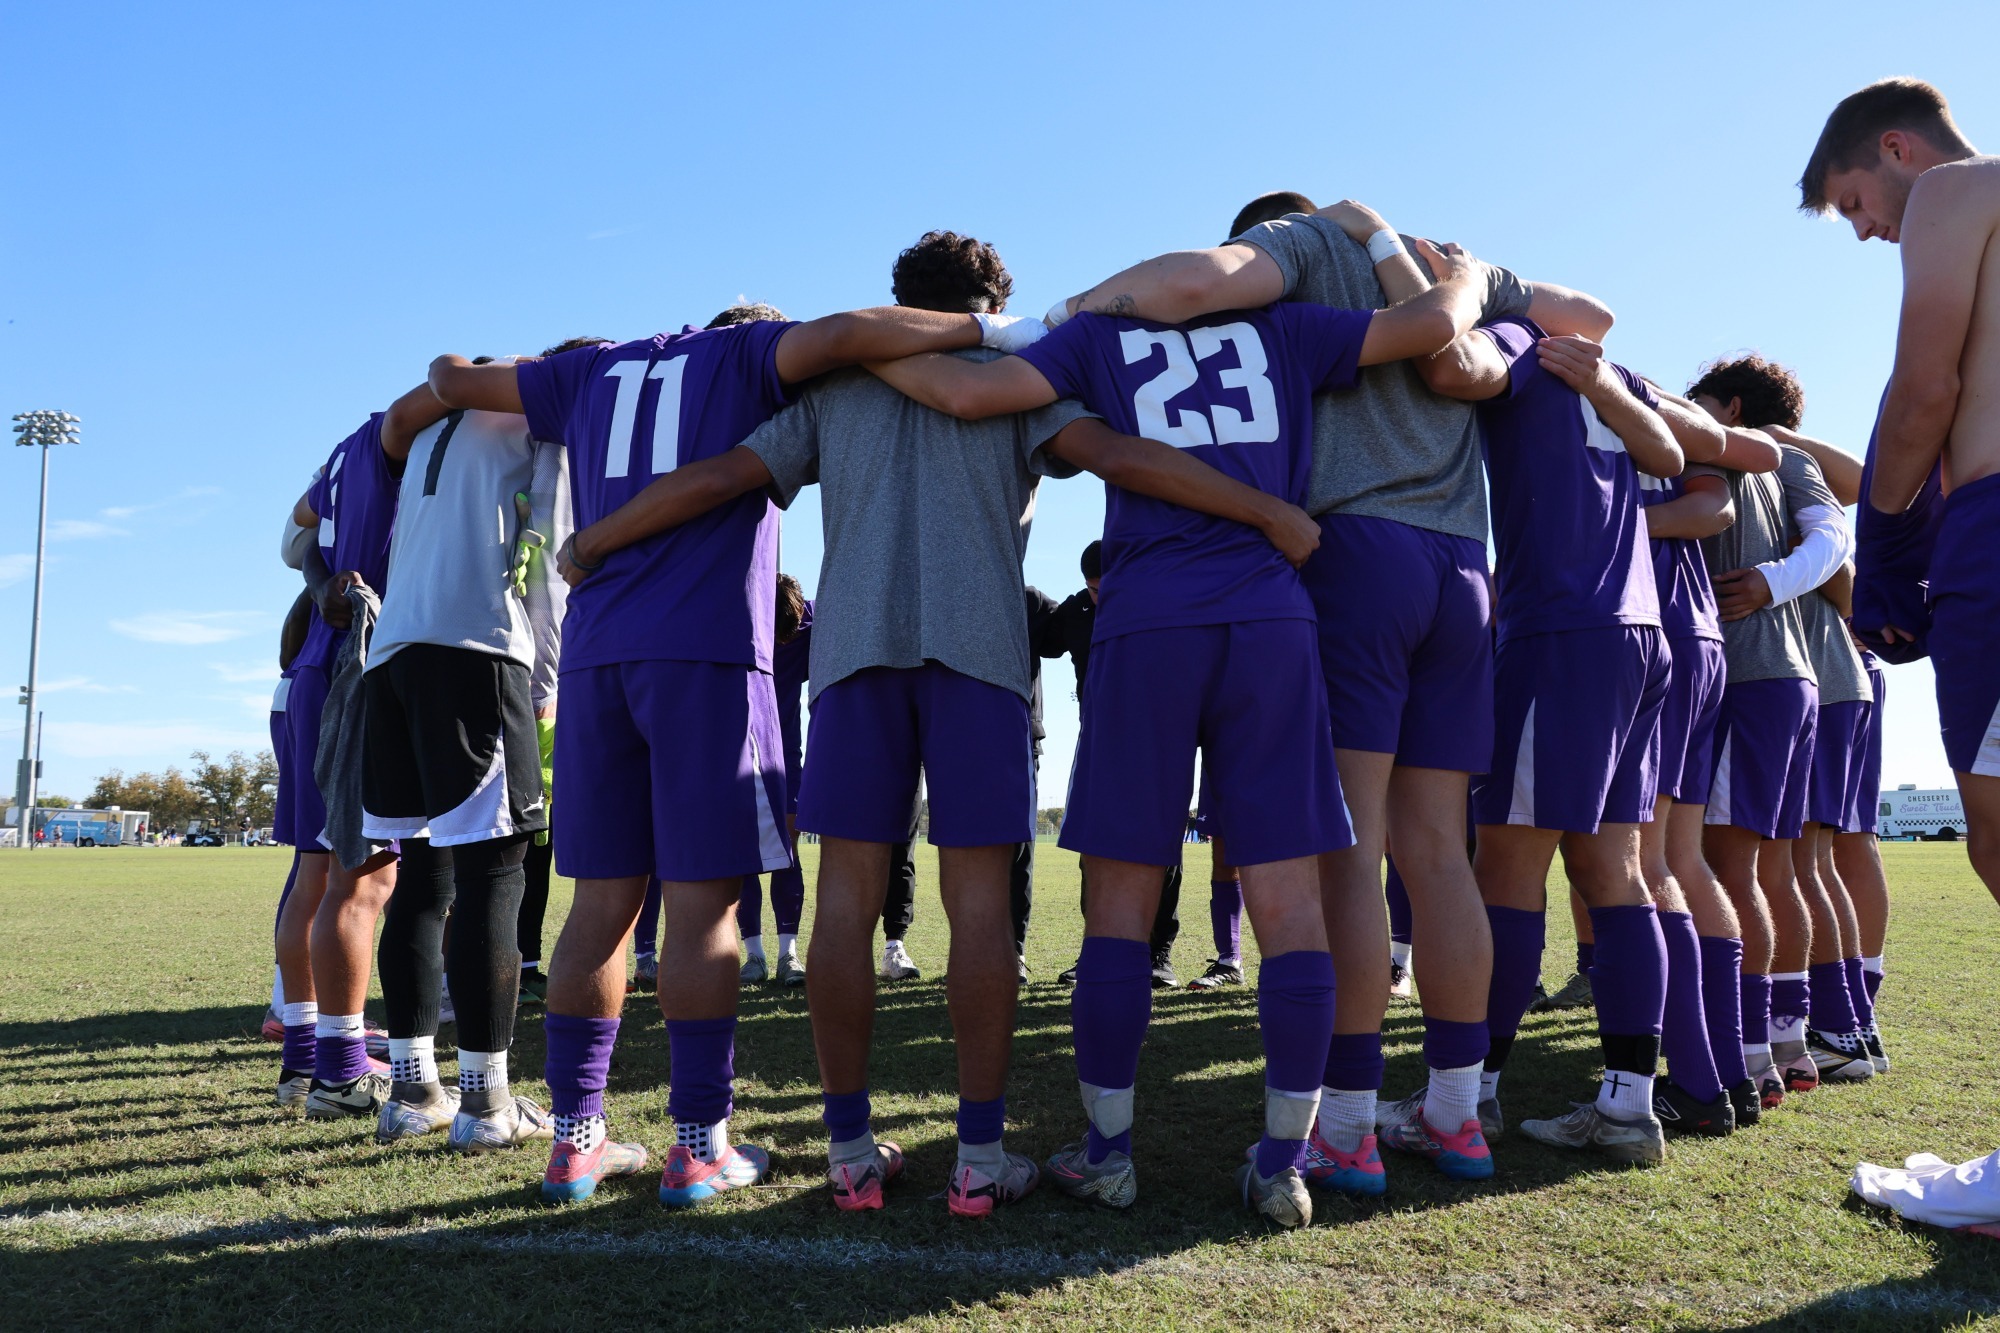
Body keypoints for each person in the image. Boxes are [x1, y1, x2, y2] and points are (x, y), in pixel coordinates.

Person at [560, 229, 1329, 1218]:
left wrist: (593, 539)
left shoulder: (842, 385)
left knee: (844, 903)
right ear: (991, 300)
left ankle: (846, 1154)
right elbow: (1117, 456)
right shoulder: (1022, 372)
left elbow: (718, 479)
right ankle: (976, 1157)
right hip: (980, 663)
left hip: (851, 660)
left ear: (899, 297)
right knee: (977, 909)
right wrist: (1262, 509)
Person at [868, 216, 1487, 1224]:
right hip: (1270, 619)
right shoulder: (1289, 331)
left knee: (1116, 904)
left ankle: (1106, 1151)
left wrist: (844, 348)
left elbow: (964, 390)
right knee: (1290, 905)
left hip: (1149, 620)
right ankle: (1282, 1161)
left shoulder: (1099, 337)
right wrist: (1455, 284)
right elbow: (1424, 330)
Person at [429, 295, 1048, 1208]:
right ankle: (697, 1144)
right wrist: (991, 331)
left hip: (599, 651)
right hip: (708, 652)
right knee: (706, 909)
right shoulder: (759, 357)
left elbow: (450, 379)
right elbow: (836, 344)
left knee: (598, 907)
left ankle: (574, 1144)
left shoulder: (587, 367)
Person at [1051, 194, 1612, 1197]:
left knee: (1349, 858)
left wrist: (1083, 305)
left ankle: (1345, 1123)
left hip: (1353, 554)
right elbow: (1592, 317)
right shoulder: (1452, 269)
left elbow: (1185, 287)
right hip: (1461, 568)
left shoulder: (1293, 252)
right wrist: (1475, 280)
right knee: (1440, 856)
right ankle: (1454, 1110)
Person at [1420, 318, 1685, 1169]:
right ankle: (1627, 1103)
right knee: (1617, 870)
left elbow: (1449, 369)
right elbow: (1672, 458)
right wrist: (1607, 384)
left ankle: (1474, 1095)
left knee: (1507, 866)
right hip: (1640, 633)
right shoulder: (1608, 363)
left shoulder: (1509, 336)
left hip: (1560, 631)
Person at [362, 350, 574, 1151]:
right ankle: (488, 1102)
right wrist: (546, 679)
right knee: (496, 872)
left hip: (396, 654)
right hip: (478, 650)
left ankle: (413, 1089)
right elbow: (550, 549)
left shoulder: (427, 429)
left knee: (421, 873)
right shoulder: (539, 413)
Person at [1804, 79, 2000, 907]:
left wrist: (1882, 543)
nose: (1864, 229)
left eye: (1853, 202)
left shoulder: (1954, 189)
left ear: (1896, 147)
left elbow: (1925, 388)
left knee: (1993, 824)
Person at [1687, 363, 1851, 1111]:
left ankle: (1747, 1054)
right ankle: (1786, 1038)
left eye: (1700, 403)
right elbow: (1836, 535)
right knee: (1775, 872)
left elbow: (1837, 539)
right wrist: (1785, 579)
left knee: (1730, 872)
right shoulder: (1795, 460)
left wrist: (1765, 581)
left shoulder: (1719, 445)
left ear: (1732, 406)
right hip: (1798, 681)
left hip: (1749, 676)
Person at [280, 415, 399, 1117]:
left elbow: (293, 538)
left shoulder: (345, 453)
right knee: (365, 878)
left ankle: (307, 1062)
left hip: (311, 671)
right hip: (357, 667)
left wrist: (325, 577)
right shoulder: (408, 444)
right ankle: (341, 1070)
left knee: (316, 873)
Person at [1040, 541, 1185, 989]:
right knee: (1093, 849)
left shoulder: (1157, 606)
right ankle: (1096, 949)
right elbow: (1040, 641)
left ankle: (1158, 954)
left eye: (1110, 589)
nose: (1103, 598)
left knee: (1162, 848)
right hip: (1099, 741)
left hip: (1158, 740)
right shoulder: (1078, 610)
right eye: (1095, 590)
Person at [737, 573, 812, 987]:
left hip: (786, 760)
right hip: (739, 752)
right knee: (745, 852)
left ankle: (789, 955)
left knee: (788, 848)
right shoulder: (737, 616)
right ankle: (754, 956)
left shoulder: (810, 622)